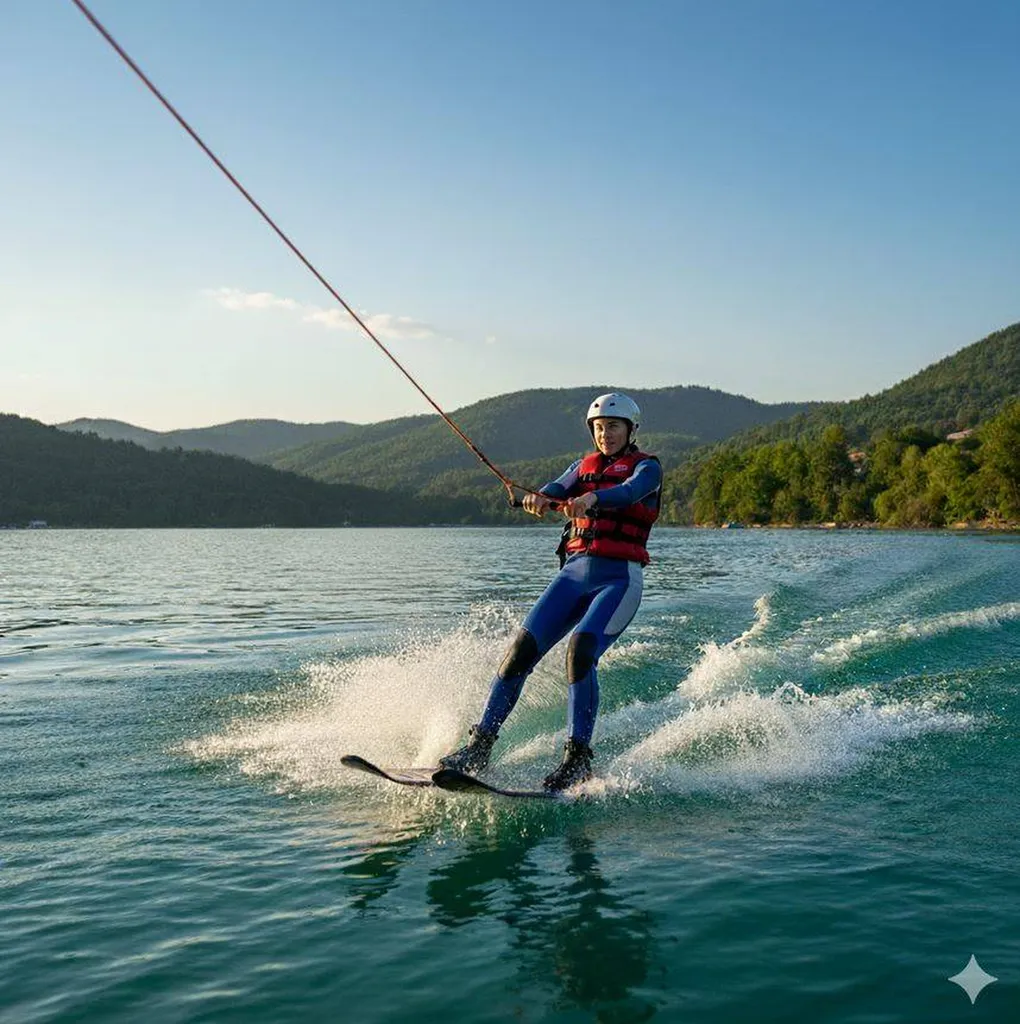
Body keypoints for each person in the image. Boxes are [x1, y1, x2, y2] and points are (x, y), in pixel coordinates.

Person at [439, 392, 662, 790]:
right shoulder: (582, 466)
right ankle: (479, 748)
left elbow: (628, 493)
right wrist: (537, 499)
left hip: (618, 580)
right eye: (599, 428)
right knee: (520, 652)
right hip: (573, 576)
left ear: (631, 430)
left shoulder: (647, 468)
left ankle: (577, 761)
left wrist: (592, 498)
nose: (605, 434)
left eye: (613, 427)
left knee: (581, 652)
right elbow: (556, 488)